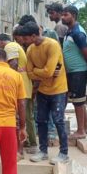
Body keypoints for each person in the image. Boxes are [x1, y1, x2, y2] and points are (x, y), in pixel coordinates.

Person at [21, 22, 69, 164]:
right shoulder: (30, 49)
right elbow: (30, 74)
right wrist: (42, 73)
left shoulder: (52, 45)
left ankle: (64, 152)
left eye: (26, 38)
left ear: (34, 35)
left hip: (58, 89)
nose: (23, 41)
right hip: (42, 89)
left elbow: (45, 72)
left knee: (59, 121)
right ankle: (43, 151)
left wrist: (37, 71)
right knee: (41, 120)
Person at [0, 33, 37, 155]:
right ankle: (30, 142)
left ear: (0, 42)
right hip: (23, 85)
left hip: (20, 86)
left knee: (22, 117)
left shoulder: (10, 46)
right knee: (27, 115)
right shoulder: (16, 46)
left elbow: (13, 64)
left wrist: (7, 80)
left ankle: (27, 144)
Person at [62, 5, 87, 138]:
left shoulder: (77, 33)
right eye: (62, 15)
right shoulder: (69, 31)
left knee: (78, 101)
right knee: (77, 99)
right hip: (73, 71)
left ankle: (81, 131)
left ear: (73, 15)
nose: (63, 17)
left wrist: (85, 70)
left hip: (78, 71)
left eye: (66, 14)